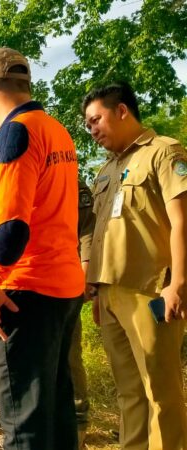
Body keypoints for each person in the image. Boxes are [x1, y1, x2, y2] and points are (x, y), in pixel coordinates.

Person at [0, 47, 84, 450]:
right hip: (61, 286)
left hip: (23, 293)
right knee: (54, 409)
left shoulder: (15, 133)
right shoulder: (56, 129)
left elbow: (11, 229)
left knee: (23, 422)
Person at [82, 81, 187, 450]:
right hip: (109, 294)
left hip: (150, 290)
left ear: (122, 111)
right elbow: (100, 233)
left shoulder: (164, 152)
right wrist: (97, 290)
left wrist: (178, 283)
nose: (92, 130)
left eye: (96, 120)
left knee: (160, 390)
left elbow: (181, 222)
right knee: (129, 393)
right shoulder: (106, 170)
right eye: (88, 125)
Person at [72, 180, 96, 450]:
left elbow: (87, 230)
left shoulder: (72, 182)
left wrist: (84, 274)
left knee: (68, 352)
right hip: (27, 283)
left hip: (65, 281)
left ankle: (78, 420)